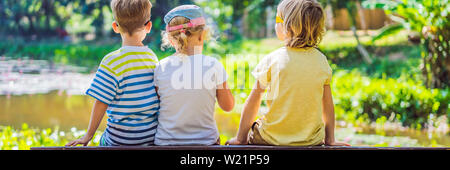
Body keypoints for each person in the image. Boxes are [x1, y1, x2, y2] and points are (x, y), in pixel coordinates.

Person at [226, 0, 350, 146]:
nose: (275, 23)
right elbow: (327, 104)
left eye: (278, 19)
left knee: (258, 125)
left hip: (270, 139)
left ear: (289, 26)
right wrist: (330, 140)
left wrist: (240, 139)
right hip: (310, 140)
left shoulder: (273, 59)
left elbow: (253, 101)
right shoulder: (321, 61)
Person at [66, 0, 159, 146]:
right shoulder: (152, 58)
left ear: (115, 27)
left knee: (104, 139)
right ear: (148, 26)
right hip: (149, 138)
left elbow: (101, 102)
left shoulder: (111, 62)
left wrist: (88, 135)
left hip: (119, 140)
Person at [154, 5, 235, 145]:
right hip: (206, 143)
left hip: (165, 144)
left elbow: (158, 105)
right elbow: (228, 106)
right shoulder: (213, 65)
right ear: (203, 34)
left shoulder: (161, 67)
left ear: (171, 39)